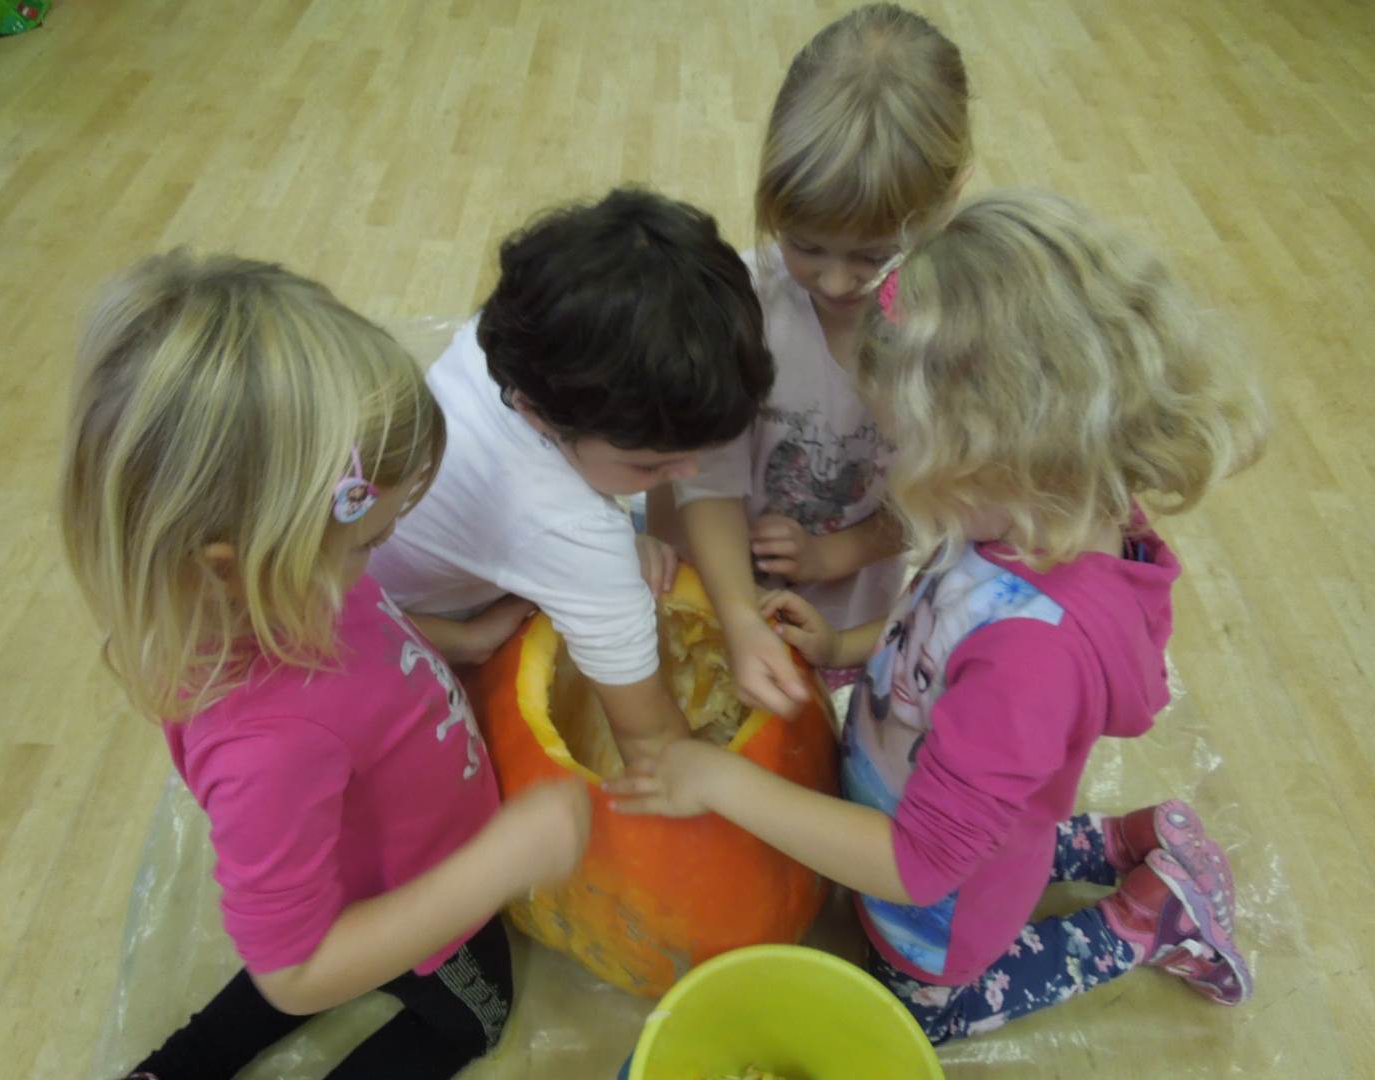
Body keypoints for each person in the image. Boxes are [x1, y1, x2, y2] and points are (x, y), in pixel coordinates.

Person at [610, 191, 1267, 1042]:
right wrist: (847, 643)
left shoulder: (1033, 660)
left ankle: (1146, 920)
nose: (893, 469)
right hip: (944, 819)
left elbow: (919, 864)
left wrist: (719, 780)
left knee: (918, 1012)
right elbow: (940, 634)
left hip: (938, 918)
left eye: (905, 446)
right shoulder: (1030, 517)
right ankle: (1118, 840)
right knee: (1004, 838)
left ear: (995, 450)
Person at [59, 252, 590, 1078]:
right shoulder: (270, 744)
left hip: (390, 853)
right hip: (409, 890)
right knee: (468, 1020)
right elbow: (297, 969)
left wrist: (459, 642)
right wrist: (502, 862)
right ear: (233, 565)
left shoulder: (284, 589)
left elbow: (367, 627)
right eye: (368, 542)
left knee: (298, 941)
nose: (379, 556)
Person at [370, 187, 774, 766]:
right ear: (536, 411)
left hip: (370, 595)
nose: (688, 474)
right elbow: (653, 745)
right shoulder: (571, 535)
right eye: (650, 465)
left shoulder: (521, 334)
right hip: (375, 642)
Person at [664, 4, 973, 712]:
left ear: (948, 199)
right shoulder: (746, 307)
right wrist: (738, 613)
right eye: (806, 246)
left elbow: (945, 489)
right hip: (719, 575)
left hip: (849, 603)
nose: (836, 282)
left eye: (873, 256)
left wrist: (837, 553)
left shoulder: (955, 336)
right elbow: (704, 478)